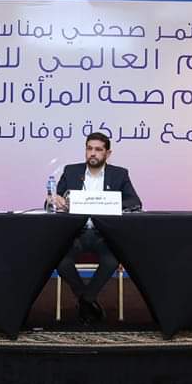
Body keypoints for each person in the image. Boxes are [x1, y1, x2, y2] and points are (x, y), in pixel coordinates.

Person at [54, 132, 141, 324]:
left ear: (107, 153)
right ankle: (87, 299)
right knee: (60, 260)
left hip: (103, 234)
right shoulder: (71, 171)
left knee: (112, 260)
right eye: (89, 148)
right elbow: (53, 200)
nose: (93, 153)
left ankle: (85, 300)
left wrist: (107, 202)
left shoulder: (119, 174)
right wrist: (55, 200)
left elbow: (135, 202)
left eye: (98, 149)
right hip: (76, 233)